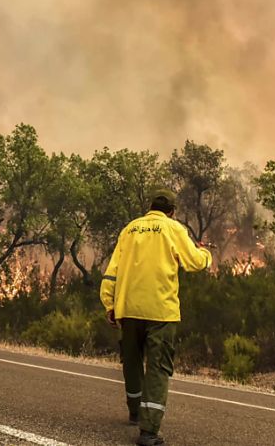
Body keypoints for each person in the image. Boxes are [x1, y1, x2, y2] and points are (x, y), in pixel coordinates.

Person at [100, 189, 212, 446]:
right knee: (158, 368)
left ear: (150, 207)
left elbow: (112, 271)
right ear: (172, 211)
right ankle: (148, 431)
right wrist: (205, 254)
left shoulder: (130, 229)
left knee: (131, 361)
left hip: (128, 307)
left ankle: (135, 411)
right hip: (161, 311)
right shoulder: (173, 228)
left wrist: (109, 303)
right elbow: (194, 262)